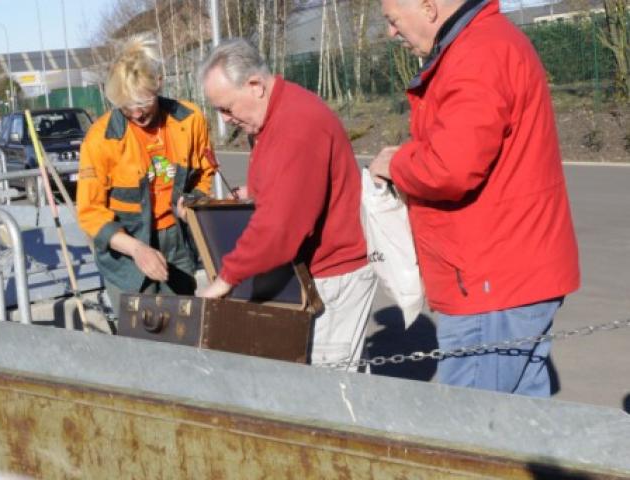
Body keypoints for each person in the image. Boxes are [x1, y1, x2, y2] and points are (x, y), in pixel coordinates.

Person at [368, 0, 580, 395]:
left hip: (491, 281)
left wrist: (396, 164)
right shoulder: (482, 44)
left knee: (472, 429)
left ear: (429, 8)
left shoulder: (476, 53)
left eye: (393, 20)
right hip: (506, 275)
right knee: (517, 423)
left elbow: (452, 167)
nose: (392, 33)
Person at [199, 38, 377, 371]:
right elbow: (293, 183)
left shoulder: (295, 125)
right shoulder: (272, 119)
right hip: (311, 274)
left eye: (227, 108)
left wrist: (226, 279)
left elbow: (279, 227)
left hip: (333, 276)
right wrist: (256, 190)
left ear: (255, 86)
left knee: (326, 391)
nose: (225, 120)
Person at [77, 34, 215, 308]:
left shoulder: (189, 120)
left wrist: (193, 202)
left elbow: (205, 171)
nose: (137, 115)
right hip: (126, 254)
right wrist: (136, 249)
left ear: (159, 84)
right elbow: (90, 212)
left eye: (142, 104)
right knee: (140, 340)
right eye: (126, 108)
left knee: (182, 327)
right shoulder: (100, 139)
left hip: (177, 247)